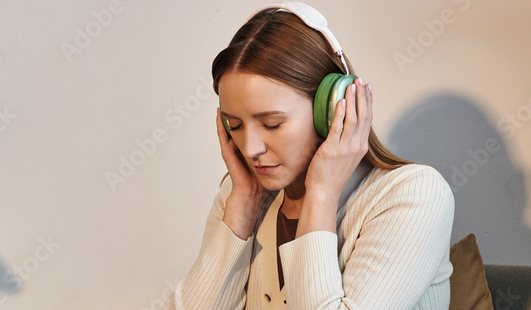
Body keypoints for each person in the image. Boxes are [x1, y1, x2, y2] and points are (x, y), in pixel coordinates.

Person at [165, 3, 454, 309]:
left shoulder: (413, 195)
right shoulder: (241, 195)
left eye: (271, 124)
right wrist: (241, 209)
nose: (250, 149)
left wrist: (322, 196)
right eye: (234, 125)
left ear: (330, 110)